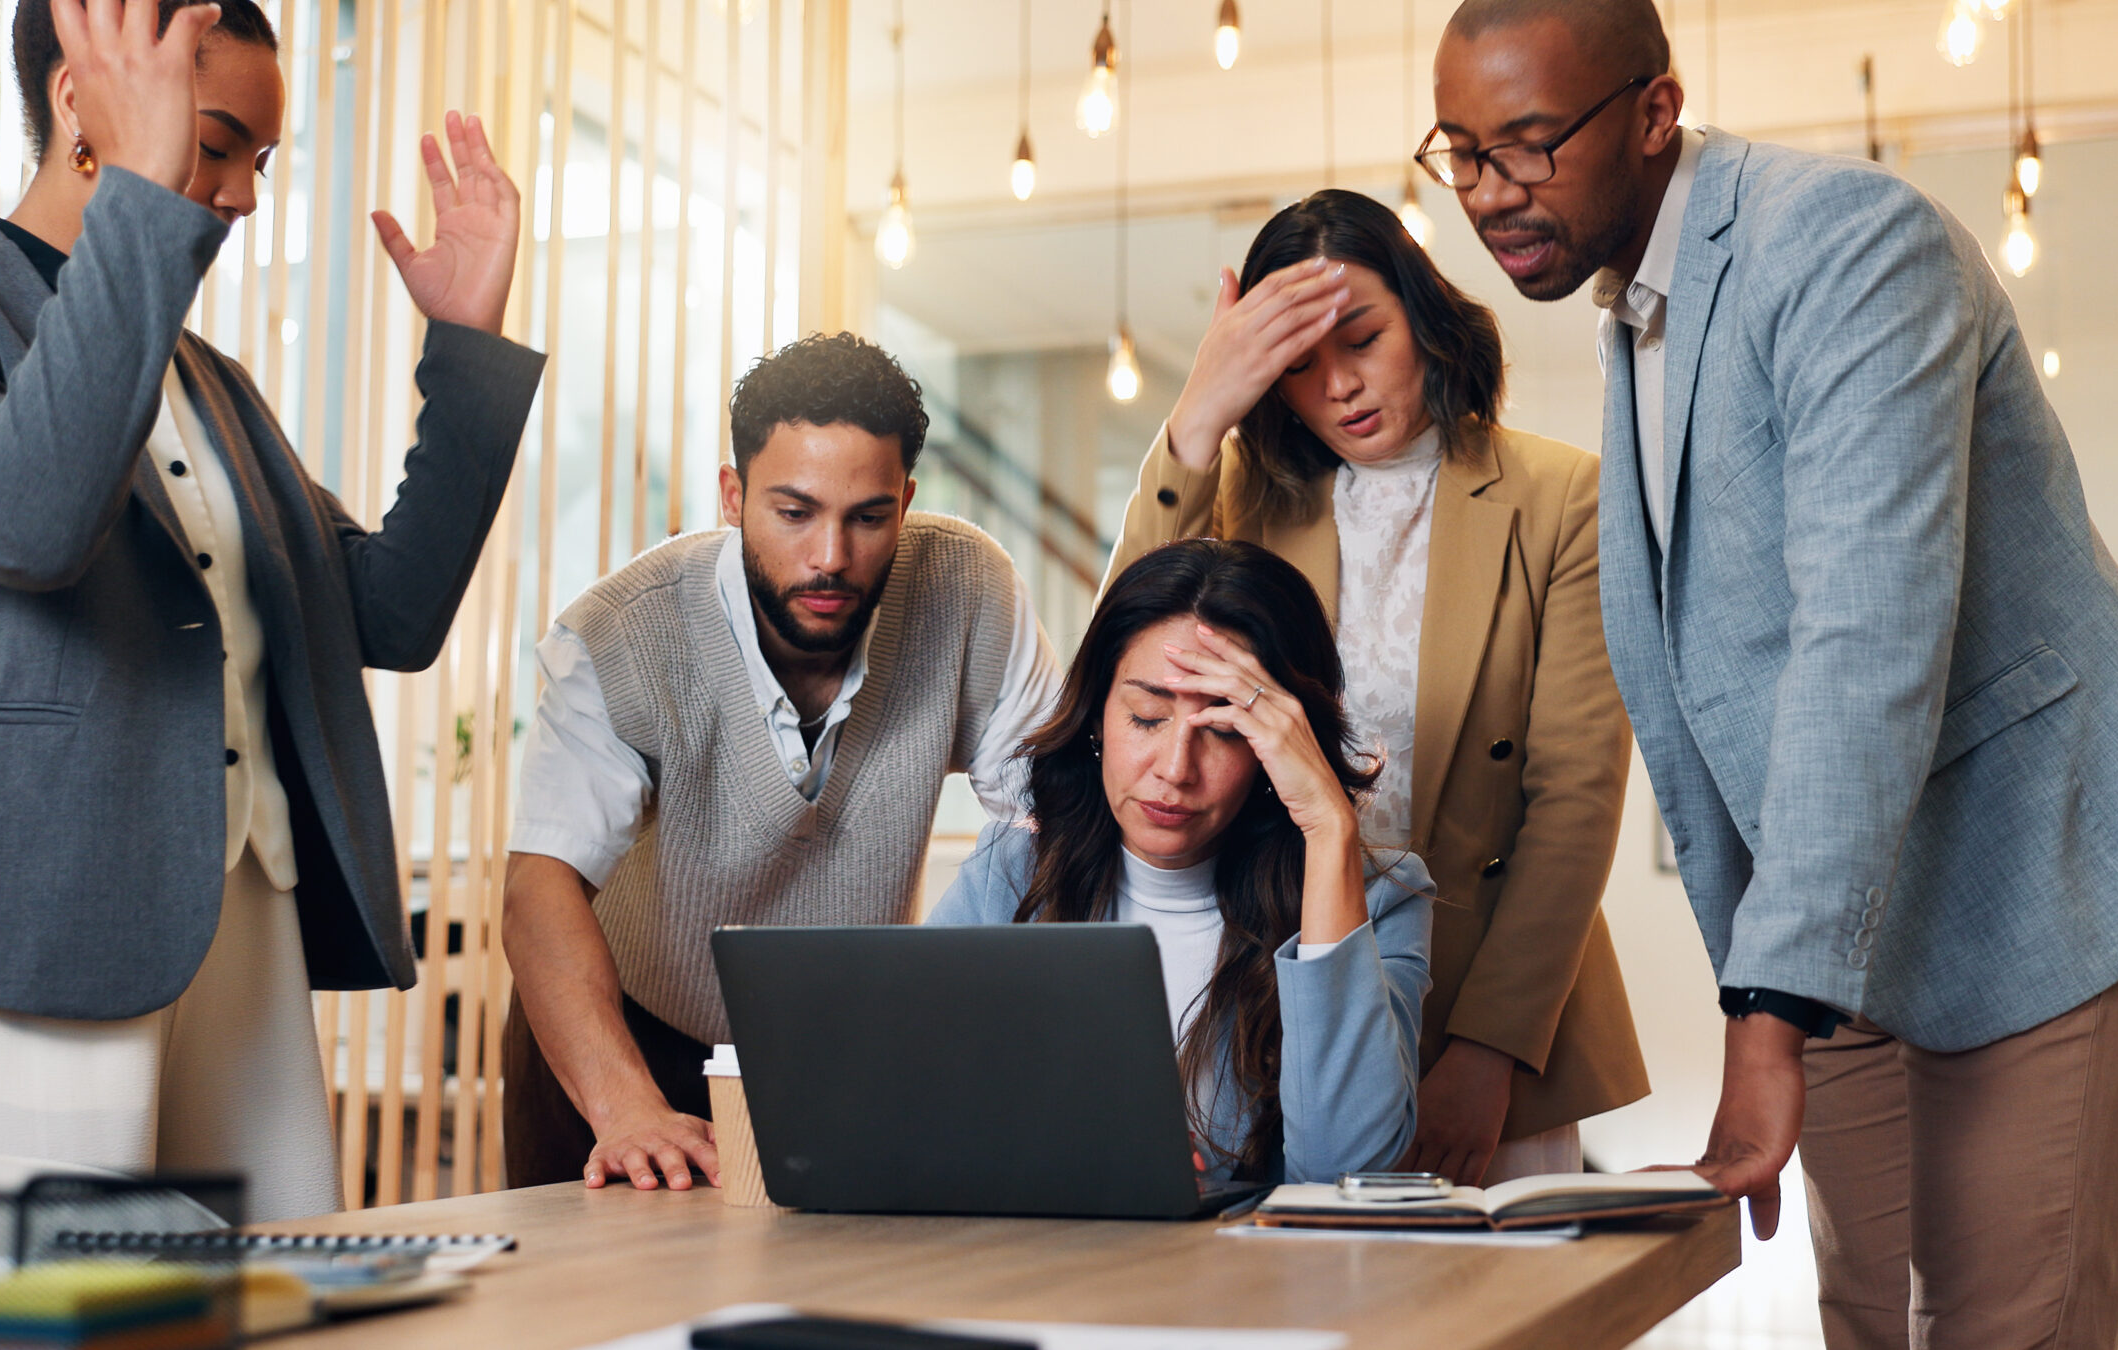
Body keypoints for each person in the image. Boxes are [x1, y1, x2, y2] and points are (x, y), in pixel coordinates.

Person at [1430, 1, 2118, 1344]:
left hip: (2036, 874)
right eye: (1462, 152)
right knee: (1864, 1323)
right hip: (1851, 932)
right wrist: (1764, 980)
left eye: (1529, 146)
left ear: (1656, 113)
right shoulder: (1633, 313)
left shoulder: (1842, 242)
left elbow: (1866, 636)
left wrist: (1765, 1014)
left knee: (2004, 1324)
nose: (1489, 193)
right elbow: (1692, 682)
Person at [0, 0, 538, 1220]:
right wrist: (144, 199)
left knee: (252, 1310)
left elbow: (388, 615)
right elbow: (25, 520)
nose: (243, 193)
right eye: (218, 139)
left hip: (241, 937)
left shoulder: (212, 385)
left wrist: (464, 354)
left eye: (261, 159)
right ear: (84, 103)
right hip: (11, 946)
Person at [1109, 188, 1645, 1186]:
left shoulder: (1562, 497)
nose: (1339, 387)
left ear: (1424, 316)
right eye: (1295, 366)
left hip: (1493, 1019)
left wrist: (1486, 1052)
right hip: (1287, 1012)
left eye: (1360, 336)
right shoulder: (1246, 502)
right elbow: (1124, 661)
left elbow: (1573, 799)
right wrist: (1197, 418)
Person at [501, 332, 1063, 1194]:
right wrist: (626, 1110)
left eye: (868, 517)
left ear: (906, 501)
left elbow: (1057, 821)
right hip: (617, 1040)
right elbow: (540, 887)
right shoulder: (622, 635)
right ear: (733, 495)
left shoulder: (968, 588)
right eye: (794, 513)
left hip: (831, 1050)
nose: (830, 557)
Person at [932, 538, 1431, 1183]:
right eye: (1145, 717)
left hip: (1256, 1276)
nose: (1174, 770)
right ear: (1096, 717)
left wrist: (1329, 826)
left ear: (1280, 745)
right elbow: (922, 1114)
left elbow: (1350, 1170)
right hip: (1051, 1267)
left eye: (1224, 731)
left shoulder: (1383, 896)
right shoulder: (1012, 869)